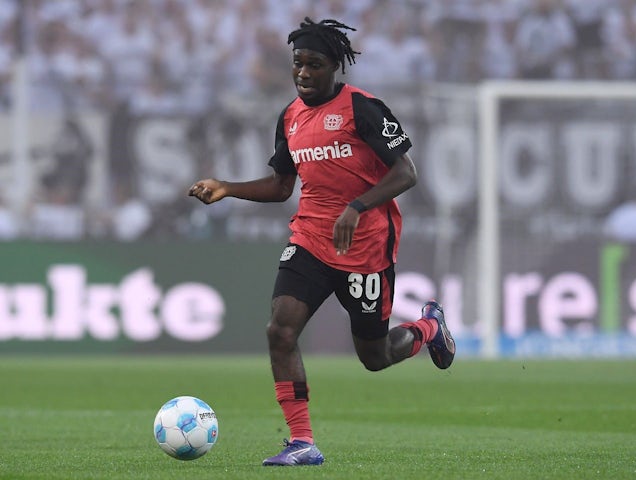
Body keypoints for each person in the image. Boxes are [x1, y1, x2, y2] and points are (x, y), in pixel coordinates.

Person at [188, 17, 455, 467]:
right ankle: (302, 442)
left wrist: (357, 206)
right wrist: (228, 187)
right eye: (298, 64)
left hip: (366, 246)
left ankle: (429, 327)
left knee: (374, 356)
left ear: (335, 67)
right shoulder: (290, 117)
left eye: (314, 65)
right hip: (311, 238)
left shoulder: (364, 109)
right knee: (280, 329)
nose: (303, 73)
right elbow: (280, 186)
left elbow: (406, 172)